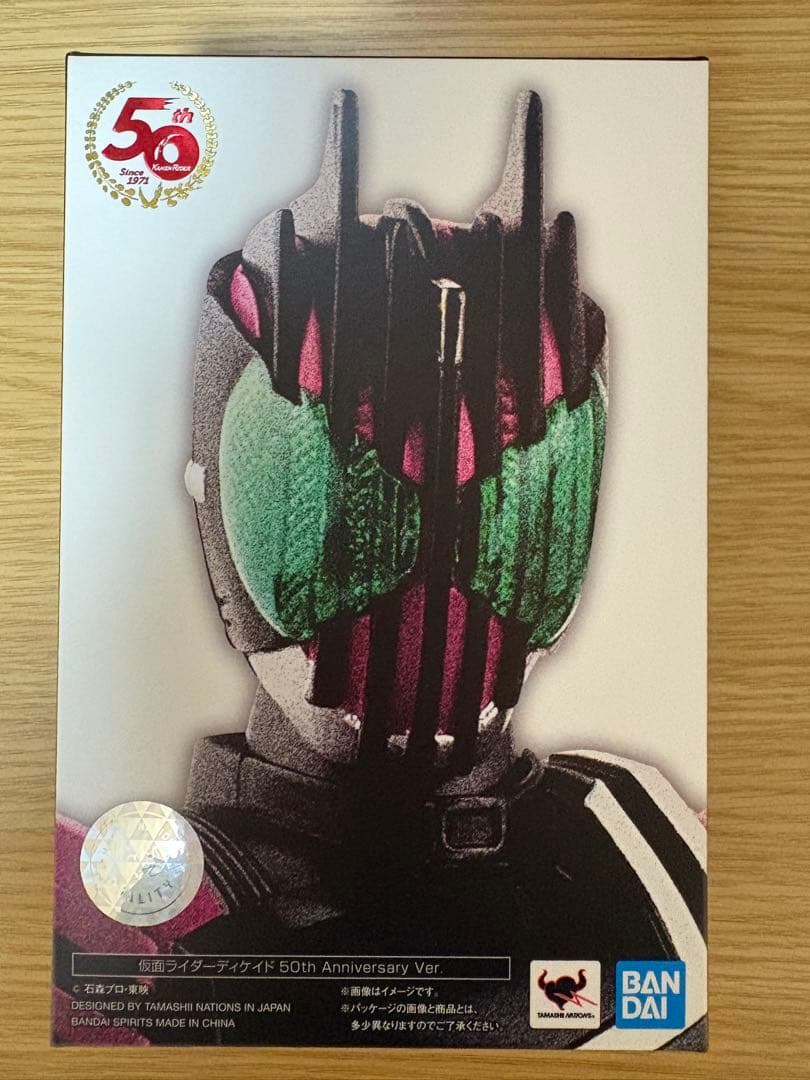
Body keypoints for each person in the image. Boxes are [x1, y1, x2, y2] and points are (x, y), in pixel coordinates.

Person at [53, 89, 705, 1050]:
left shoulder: (650, 845)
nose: (429, 588)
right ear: (214, 499)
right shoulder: (110, 943)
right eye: (344, 515)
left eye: (498, 511)